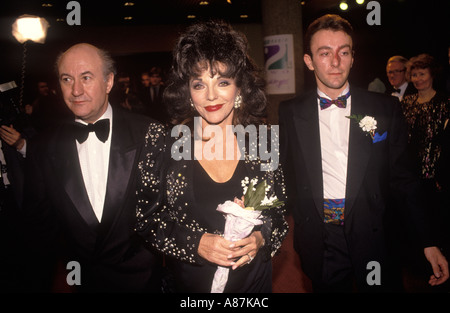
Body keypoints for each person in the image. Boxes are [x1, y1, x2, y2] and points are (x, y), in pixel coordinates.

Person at [279, 14, 448, 292]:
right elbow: (284, 173)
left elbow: (404, 179)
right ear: (309, 61)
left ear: (352, 57)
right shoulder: (290, 111)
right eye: (325, 53)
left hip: (375, 233)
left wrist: (428, 240)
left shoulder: (384, 108)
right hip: (322, 238)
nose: (335, 62)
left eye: (343, 52)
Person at [135, 20, 288, 293]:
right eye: (199, 84)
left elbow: (277, 215)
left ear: (239, 88)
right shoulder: (164, 143)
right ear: (188, 92)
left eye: (223, 81)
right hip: (189, 286)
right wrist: (195, 242)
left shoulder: (262, 140)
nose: (211, 95)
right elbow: (147, 219)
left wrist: (260, 238)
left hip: (251, 285)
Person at [22, 43, 166, 292]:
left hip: (145, 283)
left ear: (109, 82)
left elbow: (168, 211)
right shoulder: (42, 148)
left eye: (86, 77)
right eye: (67, 79)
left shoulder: (150, 133)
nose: (76, 90)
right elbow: (40, 228)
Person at [401, 53, 450, 269]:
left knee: (436, 218)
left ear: (432, 75)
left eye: (422, 74)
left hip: (436, 171)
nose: (418, 79)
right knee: (413, 218)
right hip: (410, 171)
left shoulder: (445, 102)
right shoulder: (406, 102)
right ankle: (418, 265)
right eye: (414, 75)